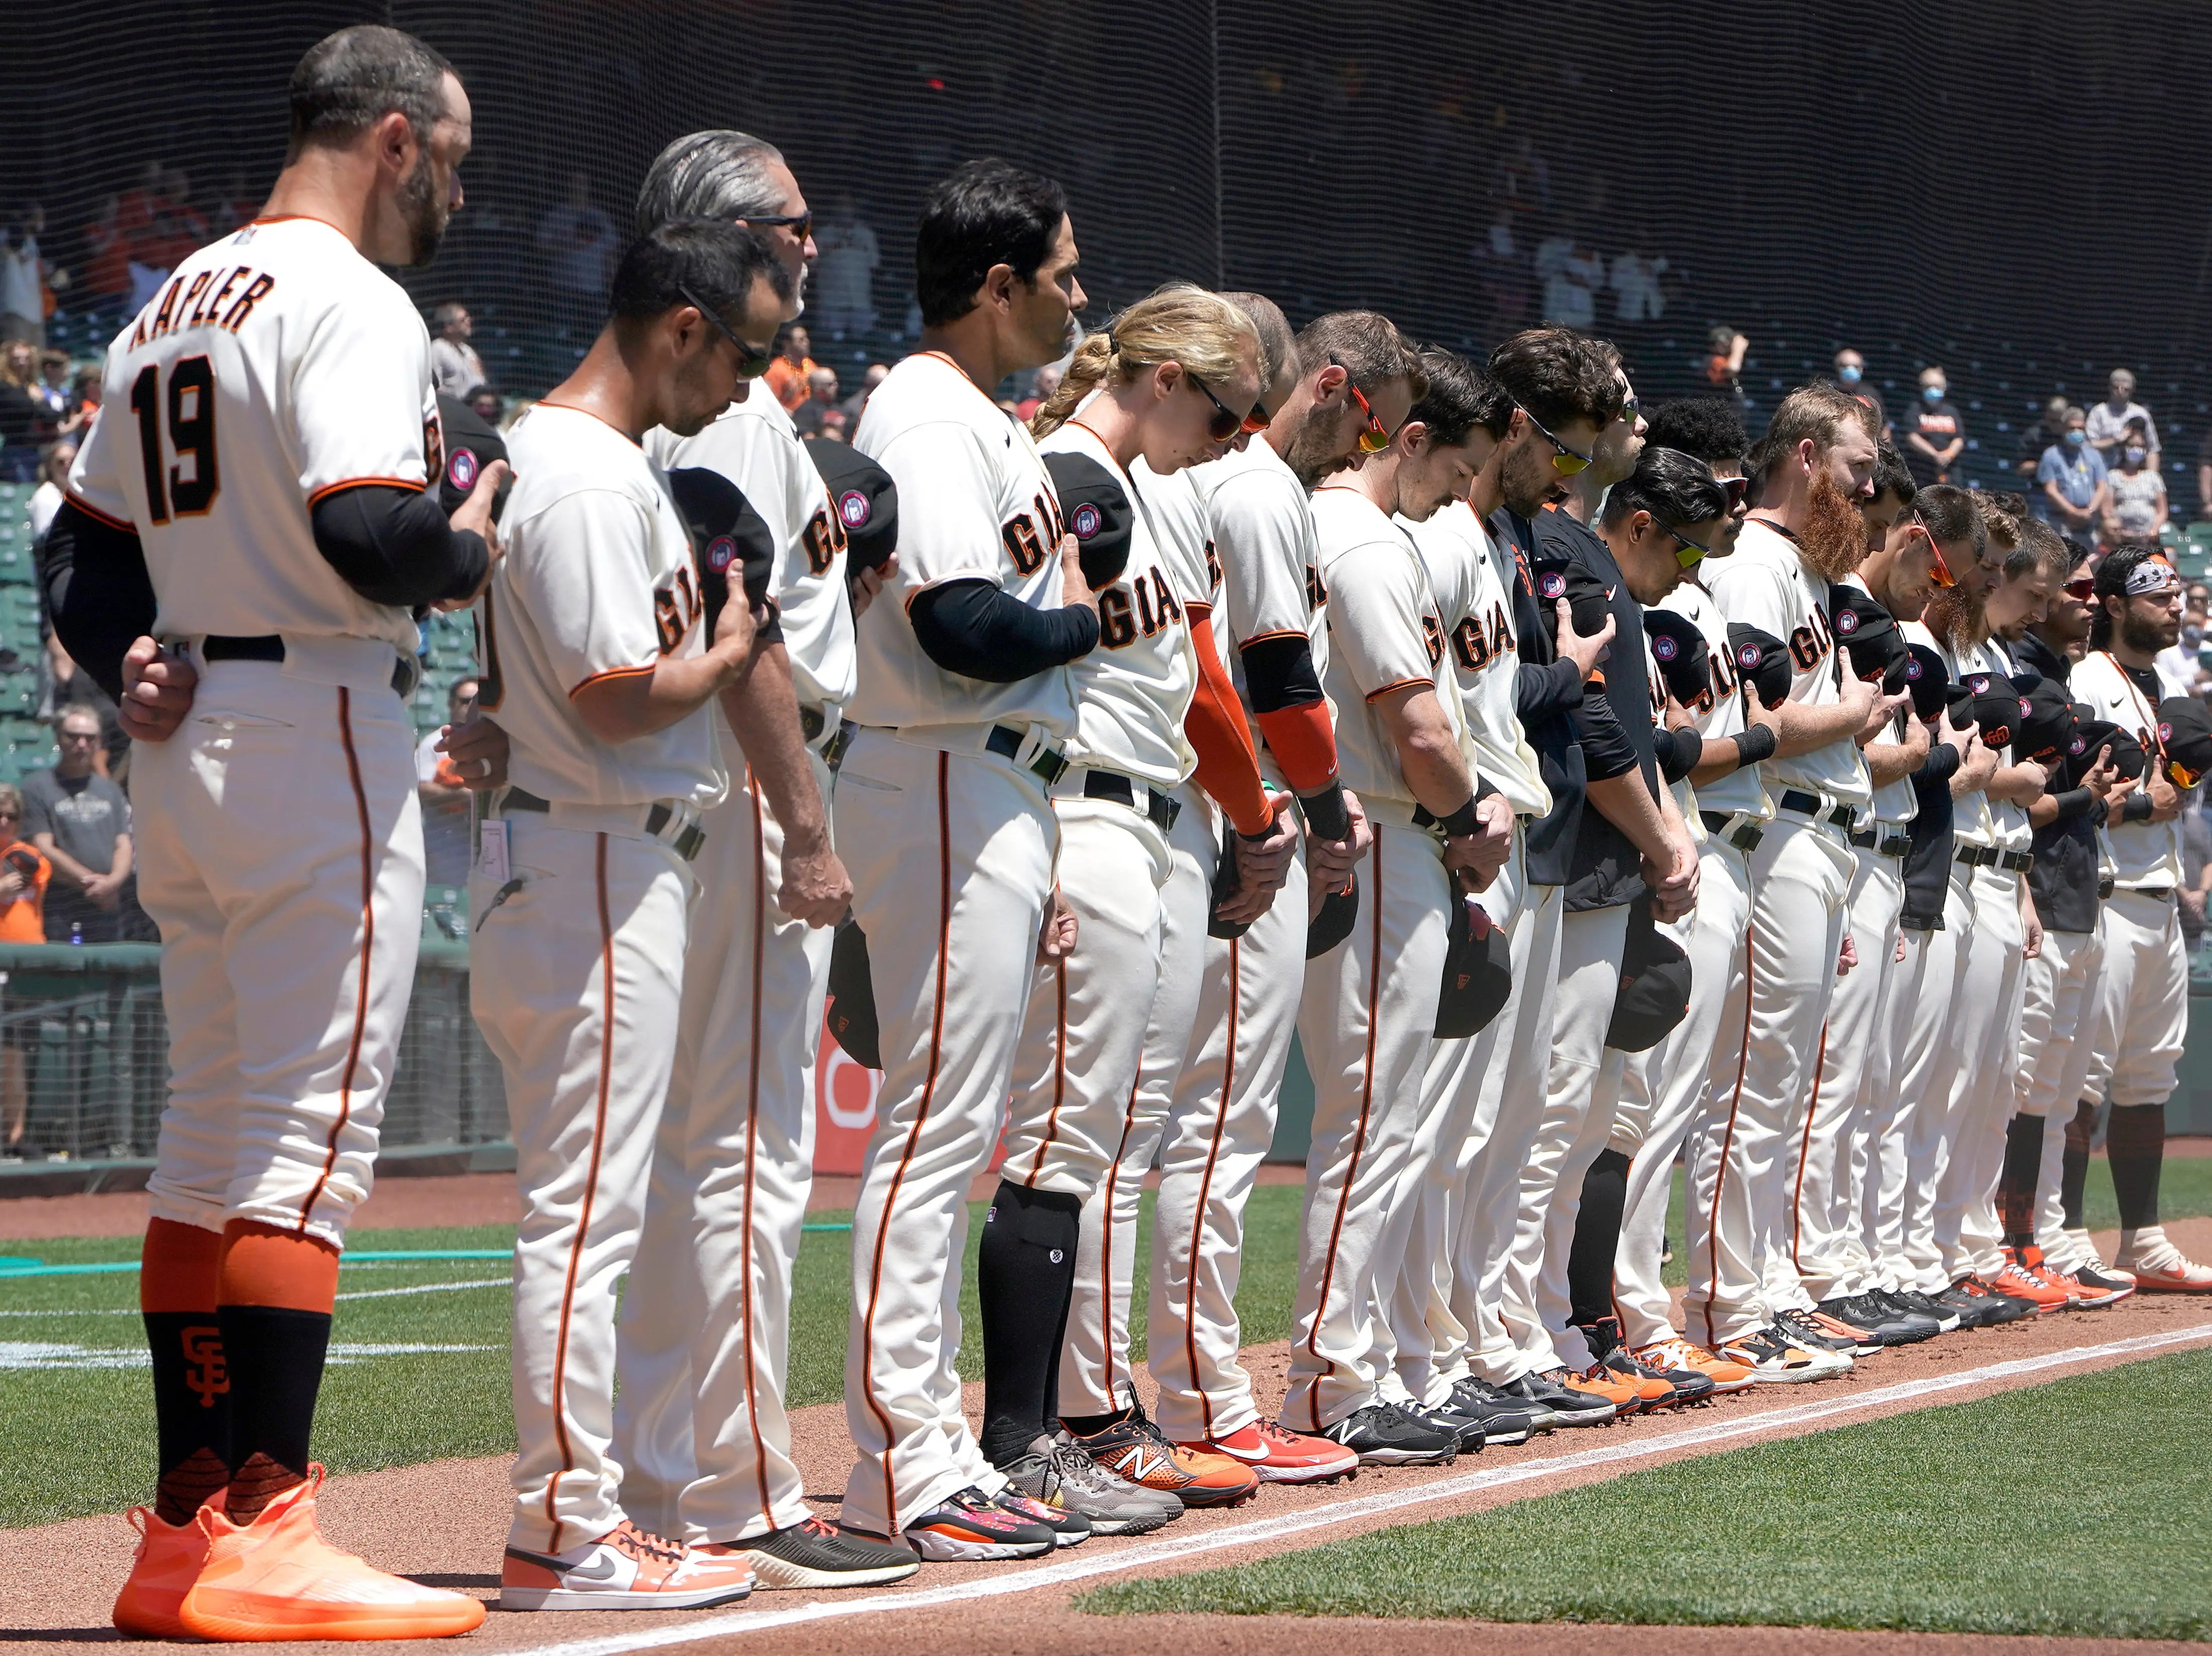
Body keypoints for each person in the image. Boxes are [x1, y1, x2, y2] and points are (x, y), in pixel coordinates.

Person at [44, 24, 498, 1640]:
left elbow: (79, 567)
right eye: (448, 152)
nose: (454, 181)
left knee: (210, 1140)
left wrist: (127, 662)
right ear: (389, 136)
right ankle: (273, 1520)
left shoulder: (170, 299)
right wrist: (470, 535)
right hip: (314, 724)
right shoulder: (349, 298)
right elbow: (372, 536)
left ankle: (182, 1527)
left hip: (191, 749)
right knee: (303, 1145)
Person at [607, 124, 923, 1593]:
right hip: (742, 790)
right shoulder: (729, 407)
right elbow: (755, 643)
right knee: (739, 1152)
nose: (811, 242)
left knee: (690, 1155)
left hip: (697, 788)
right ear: (729, 237)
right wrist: (809, 825)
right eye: (789, 225)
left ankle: (657, 1469)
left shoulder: (690, 399)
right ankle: (730, 1483)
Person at [470, 219, 784, 1611]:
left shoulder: (557, 458)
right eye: (737, 355)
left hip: (581, 850)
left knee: (586, 1205)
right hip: (596, 854)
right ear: (680, 327)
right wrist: (723, 653)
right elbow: (611, 693)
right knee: (584, 1215)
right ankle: (563, 1529)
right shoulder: (591, 477)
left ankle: (580, 1516)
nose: (739, 387)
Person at [834, 158, 1098, 1561]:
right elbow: (958, 624)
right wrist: (1090, 623)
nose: (1075, 292)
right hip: (940, 762)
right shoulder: (925, 410)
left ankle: (923, 1445)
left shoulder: (975, 414)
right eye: (1059, 271)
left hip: (984, 781)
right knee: (931, 1129)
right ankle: (900, 1461)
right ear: (994, 286)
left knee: (949, 1128)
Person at [998, 283, 1270, 1521]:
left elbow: (1189, 681)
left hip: (1152, 811)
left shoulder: (1155, 488)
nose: (1235, 442)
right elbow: (1027, 679)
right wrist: (1044, 839)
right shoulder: (1063, 472)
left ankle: (1088, 1415)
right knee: (1067, 1133)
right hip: (1082, 804)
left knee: (1115, 1129)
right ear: (1168, 379)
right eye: (1225, 415)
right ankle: (1054, 1426)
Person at [1139, 306, 1381, 1477]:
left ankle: (1173, 1393)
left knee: (1189, 1119)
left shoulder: (1215, 480)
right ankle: (1195, 1399)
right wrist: (1318, 816)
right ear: (1317, 383)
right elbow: (1274, 676)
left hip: (1211, 806)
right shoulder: (1253, 483)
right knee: (1213, 1118)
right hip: (1237, 814)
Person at [1293, 329, 1517, 1461]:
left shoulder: (1343, 532)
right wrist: (1465, 814)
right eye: (1446, 469)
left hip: (1376, 837)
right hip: (1382, 836)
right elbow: (1418, 729)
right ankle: (1333, 1378)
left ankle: (1365, 1361)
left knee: (1378, 1120)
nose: (1454, 496)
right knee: (1372, 1120)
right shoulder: (1365, 540)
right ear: (1407, 436)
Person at [1693, 382, 1899, 1376]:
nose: (1868, 486)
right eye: (1857, 466)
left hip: (1824, 836)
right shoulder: (1752, 562)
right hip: (1774, 831)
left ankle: (1764, 1283)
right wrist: (1857, 711)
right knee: (1752, 1079)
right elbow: (1755, 726)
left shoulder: (1817, 575)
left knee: (1777, 1080)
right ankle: (1728, 1301)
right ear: (1806, 454)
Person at [2070, 542, 2212, 1291]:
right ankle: (2059, 1241)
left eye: (2176, 593)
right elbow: (2071, 788)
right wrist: (2136, 802)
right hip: (2103, 895)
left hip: (2158, 900)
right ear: (2114, 605)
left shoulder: (2161, 683)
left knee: (2147, 1078)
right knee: (2078, 1078)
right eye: (2156, 595)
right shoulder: (2086, 681)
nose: (2173, 605)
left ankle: (2143, 1240)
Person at [1998, 527, 2132, 1305]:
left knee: (2052, 1091)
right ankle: (2007, 1239)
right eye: (2070, 592)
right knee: (2019, 1088)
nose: (2081, 606)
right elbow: (2026, 801)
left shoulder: (2059, 678)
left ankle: (2040, 1237)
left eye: (2085, 592)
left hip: (2076, 894)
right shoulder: (2016, 676)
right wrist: (2091, 792)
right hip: (2037, 897)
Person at [25, 704, 133, 941]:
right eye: (73, 736)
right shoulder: (37, 787)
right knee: (62, 971)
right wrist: (92, 885)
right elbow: (43, 846)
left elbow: (123, 844)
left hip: (107, 903)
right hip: (61, 902)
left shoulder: (110, 789)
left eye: (89, 738)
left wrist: (113, 883)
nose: (82, 744)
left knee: (107, 971)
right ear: (58, 738)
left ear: (99, 742)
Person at [413, 677, 478, 888]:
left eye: (477, 701)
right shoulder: (434, 744)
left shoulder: (491, 743)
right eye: (466, 701)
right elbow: (421, 789)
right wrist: (461, 795)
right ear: (452, 704)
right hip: (445, 845)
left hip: (482, 843)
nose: (471, 707)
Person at [535, 172, 620, 332]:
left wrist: (612, 286)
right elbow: (541, 248)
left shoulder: (601, 218)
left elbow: (611, 254)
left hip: (594, 290)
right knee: (561, 333)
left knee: (590, 335)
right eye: (575, 183)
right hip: (562, 288)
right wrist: (566, 246)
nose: (578, 187)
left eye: (583, 183)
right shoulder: (557, 215)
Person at [812, 194, 880, 339]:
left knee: (861, 341)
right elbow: (811, 265)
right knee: (830, 342)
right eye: (841, 205)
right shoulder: (824, 235)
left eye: (848, 206)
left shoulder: (866, 235)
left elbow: (875, 265)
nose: (845, 210)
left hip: (860, 300)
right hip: (832, 301)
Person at [2036, 406, 2108, 541]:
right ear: (2063, 429)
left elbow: (2102, 486)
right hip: (2060, 522)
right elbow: (2051, 490)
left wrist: (2090, 511)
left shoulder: (2094, 455)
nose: (2077, 432)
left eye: (2080, 428)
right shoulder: (2051, 455)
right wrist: (2073, 512)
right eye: (2072, 428)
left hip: (2089, 522)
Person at [2103, 420, 2167, 543]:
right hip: (2122, 539)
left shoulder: (2153, 478)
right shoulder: (2113, 476)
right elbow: (2107, 510)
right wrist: (2120, 531)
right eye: (2132, 446)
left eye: (2140, 446)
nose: (2136, 450)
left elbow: (2162, 511)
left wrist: (2154, 530)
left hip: (2148, 538)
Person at [1902, 365, 1965, 487]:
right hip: (1921, 471)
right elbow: (1912, 437)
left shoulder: (1952, 411)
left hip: (1950, 471)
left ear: (1944, 388)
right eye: (1929, 386)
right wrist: (1935, 455)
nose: (1933, 390)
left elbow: (1959, 439)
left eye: (1937, 386)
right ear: (1922, 387)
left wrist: (1948, 455)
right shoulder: (1914, 409)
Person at [2085, 367, 2159, 462]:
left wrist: (2152, 476)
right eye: (2117, 387)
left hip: (2133, 472)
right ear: (2110, 388)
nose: (2121, 391)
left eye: (2126, 389)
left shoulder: (2141, 413)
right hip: (2102, 469)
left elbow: (2153, 449)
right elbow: (2089, 445)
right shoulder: (2098, 412)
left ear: (2132, 390)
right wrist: (2115, 440)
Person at [427, 301, 486, 399]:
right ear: (449, 327)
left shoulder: (468, 350)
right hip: (454, 408)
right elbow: (435, 387)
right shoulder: (438, 349)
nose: (469, 321)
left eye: (468, 318)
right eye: (463, 320)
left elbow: (481, 380)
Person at [1833, 348, 1888, 444]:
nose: (1850, 370)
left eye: (1856, 367)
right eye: (1845, 366)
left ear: (1862, 369)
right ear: (1837, 368)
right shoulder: (1827, 392)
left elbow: (1885, 426)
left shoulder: (1871, 394)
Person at [763, 322, 816, 413]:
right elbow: (768, 402)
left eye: (806, 338)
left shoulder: (811, 365)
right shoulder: (776, 370)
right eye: (801, 340)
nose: (807, 342)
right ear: (787, 344)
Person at [2017, 395, 2071, 483]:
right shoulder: (2033, 435)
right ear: (2046, 416)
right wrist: (2045, 465)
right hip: (2041, 489)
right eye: (2052, 421)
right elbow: (2021, 469)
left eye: (2060, 421)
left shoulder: (2073, 433)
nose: (2057, 425)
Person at [791, 364, 839, 436]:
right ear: (817, 388)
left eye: (836, 383)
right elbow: (807, 438)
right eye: (830, 384)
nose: (836, 387)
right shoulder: (805, 411)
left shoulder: (840, 408)